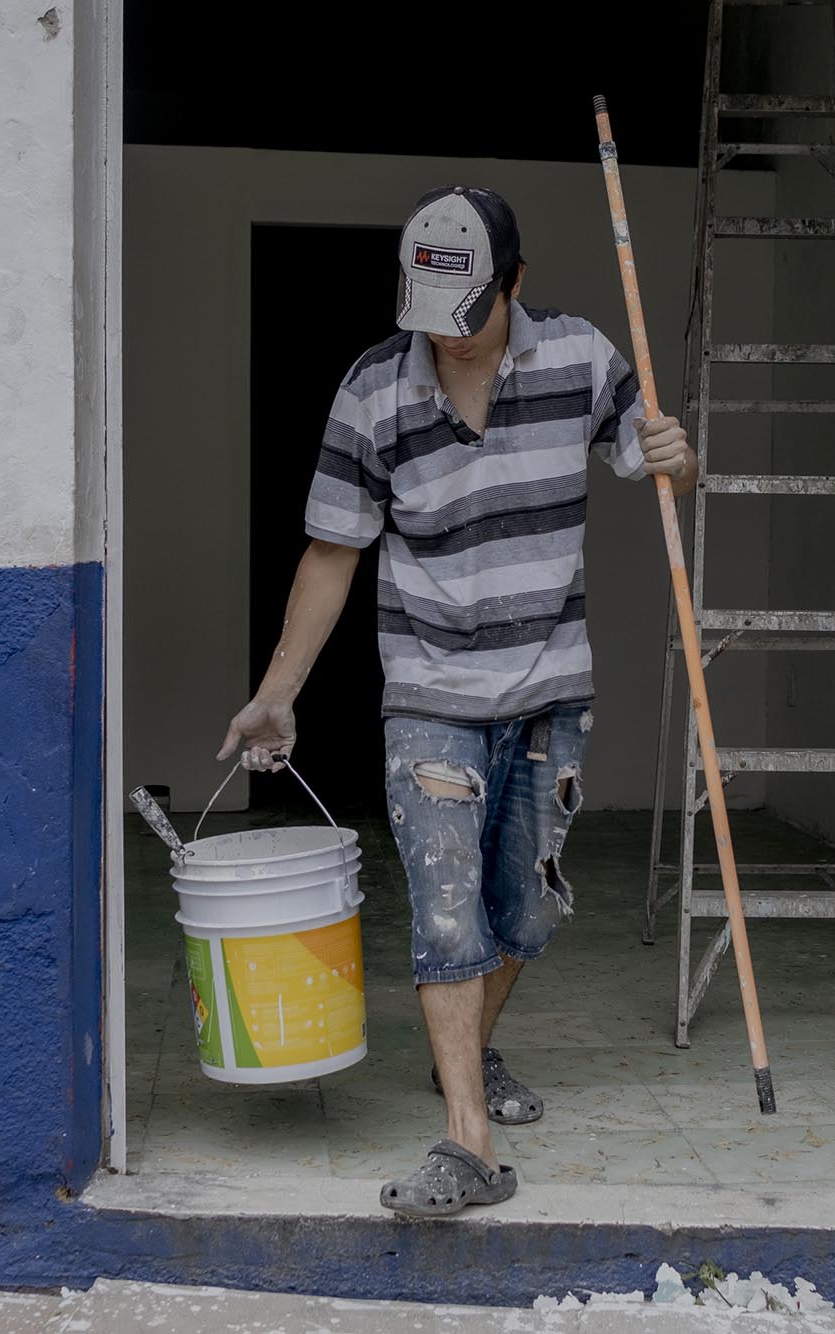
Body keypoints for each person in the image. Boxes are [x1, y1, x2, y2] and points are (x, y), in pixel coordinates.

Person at [216, 184, 697, 1217]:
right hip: (430, 689)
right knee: (446, 909)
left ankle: (465, 1054)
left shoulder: (579, 356)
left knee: (525, 906)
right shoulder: (372, 391)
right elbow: (332, 552)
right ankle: (467, 1140)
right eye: (428, 313)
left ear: (515, 283)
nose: (446, 336)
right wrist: (276, 694)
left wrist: (678, 455)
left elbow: (653, 460)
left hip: (549, 688)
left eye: (467, 313)